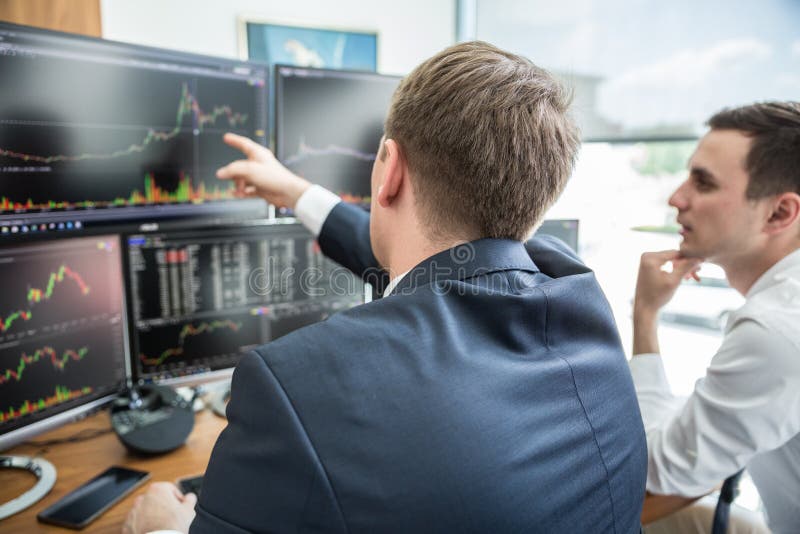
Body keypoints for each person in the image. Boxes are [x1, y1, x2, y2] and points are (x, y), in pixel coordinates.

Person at [124, 41, 647, 533]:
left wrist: (160, 527)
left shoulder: (293, 390)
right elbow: (430, 261)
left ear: (388, 169)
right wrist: (296, 192)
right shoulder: (577, 294)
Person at [631, 102, 800, 533]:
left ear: (779, 213)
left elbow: (657, 469)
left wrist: (645, 316)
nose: (676, 197)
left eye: (702, 183)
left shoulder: (775, 329)